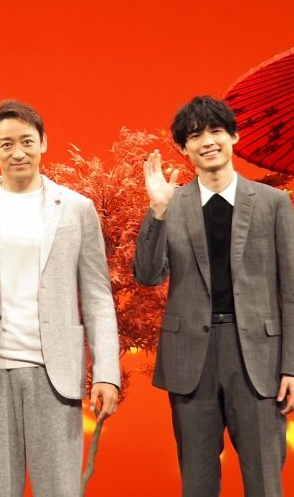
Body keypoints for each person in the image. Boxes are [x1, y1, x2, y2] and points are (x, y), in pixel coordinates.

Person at [0, 99, 119, 497]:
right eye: (7, 144)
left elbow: (98, 295)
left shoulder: (76, 209)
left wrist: (106, 372)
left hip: (55, 372)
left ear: (44, 142)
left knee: (60, 490)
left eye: (27, 141)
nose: (18, 152)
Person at [134, 95, 293, 496]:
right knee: (198, 483)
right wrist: (157, 211)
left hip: (258, 358)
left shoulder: (273, 204)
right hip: (192, 359)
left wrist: (291, 365)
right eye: (194, 135)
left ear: (233, 136)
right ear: (183, 148)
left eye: (216, 131)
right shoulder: (172, 203)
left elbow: (292, 291)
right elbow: (148, 276)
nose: (207, 141)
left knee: (265, 481)